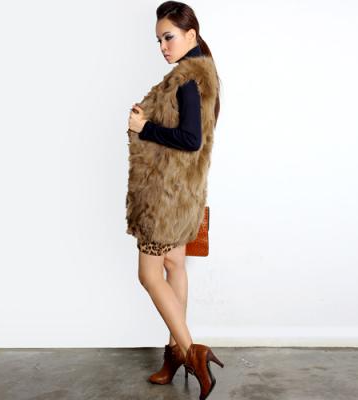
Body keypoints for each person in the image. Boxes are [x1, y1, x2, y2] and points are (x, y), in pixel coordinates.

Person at [126, 2, 224, 399]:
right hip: (186, 193)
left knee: (149, 274)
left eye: (168, 37)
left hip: (164, 198)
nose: (163, 47)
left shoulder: (186, 78)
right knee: (174, 265)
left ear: (191, 34)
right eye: (159, 41)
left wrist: (144, 126)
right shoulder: (205, 72)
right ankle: (174, 355)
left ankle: (191, 351)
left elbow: (190, 139)